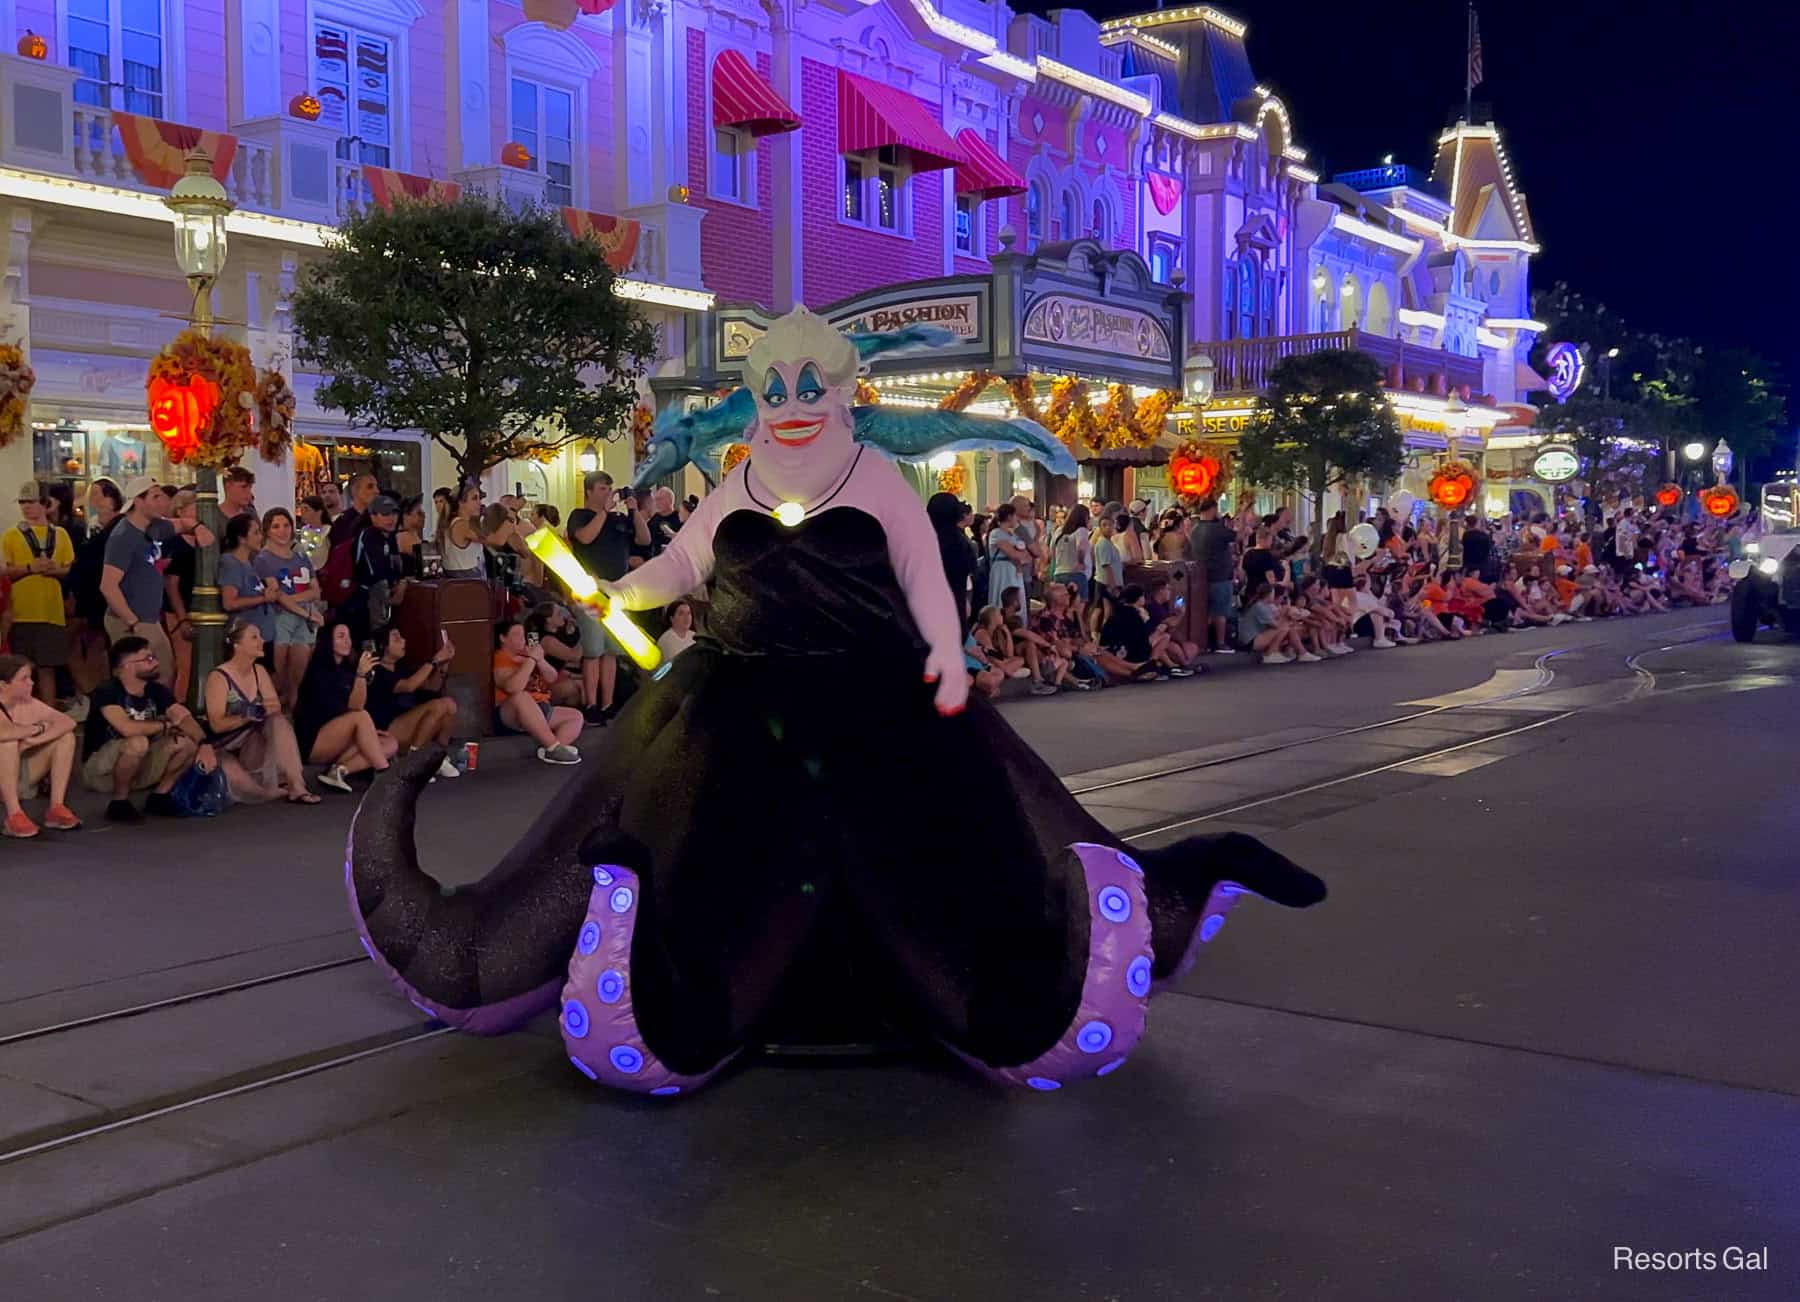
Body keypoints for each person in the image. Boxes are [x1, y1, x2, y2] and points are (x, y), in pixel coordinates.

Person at [81, 634, 212, 821]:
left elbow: (183, 717)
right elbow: (126, 728)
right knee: (137, 741)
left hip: (139, 763)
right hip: (100, 771)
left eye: (154, 657)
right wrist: (165, 725)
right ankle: (119, 802)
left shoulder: (157, 691)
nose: (156, 662)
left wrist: (205, 744)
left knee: (187, 743)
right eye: (148, 659)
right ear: (127, 666)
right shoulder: (107, 691)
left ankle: (160, 796)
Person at [565, 471, 650, 724]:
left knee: (611, 652)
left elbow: (644, 539)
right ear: (589, 491)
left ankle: (608, 703)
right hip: (590, 590)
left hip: (617, 592)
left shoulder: (618, 520)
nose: (607, 493)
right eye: (602, 489)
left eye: (609, 489)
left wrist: (634, 511)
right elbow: (584, 537)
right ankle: (590, 703)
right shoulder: (580, 516)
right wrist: (603, 512)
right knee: (593, 650)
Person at [203, 621, 318, 804]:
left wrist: (260, 710)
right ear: (237, 645)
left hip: (252, 744)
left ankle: (297, 784)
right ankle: (266, 791)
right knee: (248, 789)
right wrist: (245, 716)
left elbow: (274, 706)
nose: (262, 641)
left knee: (278, 721)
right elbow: (217, 724)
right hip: (226, 746)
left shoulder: (259, 671)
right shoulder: (219, 677)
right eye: (254, 637)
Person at [4, 481, 75, 705]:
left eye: (31, 502)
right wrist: (28, 568)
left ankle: (49, 714)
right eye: (23, 502)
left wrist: (56, 570)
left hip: (51, 611)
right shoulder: (11, 535)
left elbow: (71, 567)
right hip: (21, 611)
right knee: (19, 670)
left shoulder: (60, 534)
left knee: (48, 667)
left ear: (45, 504)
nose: (26, 507)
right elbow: (5, 571)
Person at [98, 476, 176, 672]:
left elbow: (180, 524)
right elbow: (108, 586)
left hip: (149, 618)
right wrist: (133, 622)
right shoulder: (123, 536)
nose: (162, 502)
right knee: (140, 677)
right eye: (155, 497)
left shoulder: (153, 527)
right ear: (139, 501)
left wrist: (197, 527)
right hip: (133, 621)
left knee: (163, 672)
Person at [0, 653, 81, 836]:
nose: (32, 683)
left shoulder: (27, 702)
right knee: (8, 743)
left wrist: (32, 741)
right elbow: (5, 732)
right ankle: (14, 815)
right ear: (4, 685)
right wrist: (37, 728)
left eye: (30, 678)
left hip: (18, 778)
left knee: (65, 737)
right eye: (24, 679)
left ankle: (56, 807)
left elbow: (67, 722)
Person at [255, 507, 325, 710]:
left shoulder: (301, 558)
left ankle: (295, 719)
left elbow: (315, 591)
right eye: (276, 526)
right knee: (279, 676)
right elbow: (276, 595)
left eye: (286, 525)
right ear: (267, 530)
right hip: (281, 618)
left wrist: (291, 599)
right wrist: (305, 610)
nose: (282, 531)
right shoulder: (263, 559)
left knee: (298, 677)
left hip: (304, 619)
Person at [367, 624, 460, 775]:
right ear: (382, 646)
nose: (403, 641)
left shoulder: (401, 668)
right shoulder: (376, 672)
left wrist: (443, 665)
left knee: (449, 705)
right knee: (438, 705)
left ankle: (438, 757)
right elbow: (409, 686)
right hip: (389, 732)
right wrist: (434, 661)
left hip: (412, 728)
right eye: (396, 638)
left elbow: (432, 686)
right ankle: (413, 762)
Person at [492, 618, 583, 764]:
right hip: (511, 712)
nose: (522, 639)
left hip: (541, 707)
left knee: (575, 717)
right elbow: (513, 688)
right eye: (517, 635)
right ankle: (553, 747)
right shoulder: (500, 658)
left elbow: (552, 677)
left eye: (524, 634)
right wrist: (531, 660)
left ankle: (553, 748)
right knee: (521, 697)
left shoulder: (528, 656)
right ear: (503, 638)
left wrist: (539, 660)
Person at [217, 514, 278, 654]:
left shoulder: (249, 563)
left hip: (262, 636)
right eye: (256, 533)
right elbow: (229, 602)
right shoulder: (231, 563)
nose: (260, 537)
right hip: (246, 639)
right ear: (242, 538)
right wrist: (263, 598)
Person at [347, 496, 406, 640]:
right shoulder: (368, 536)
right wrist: (396, 585)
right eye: (385, 514)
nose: (391, 518)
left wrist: (400, 581)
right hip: (365, 603)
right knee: (373, 643)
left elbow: (397, 565)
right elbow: (375, 573)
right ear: (373, 516)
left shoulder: (390, 536)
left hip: (383, 601)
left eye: (394, 513)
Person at [1186, 498, 1236, 655]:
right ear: (1212, 509)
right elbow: (1236, 536)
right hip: (1220, 575)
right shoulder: (1216, 529)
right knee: (1220, 611)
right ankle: (1220, 643)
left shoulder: (1195, 530)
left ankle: (1203, 641)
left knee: (1206, 611)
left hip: (1202, 576)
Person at [927, 491, 976, 630]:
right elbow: (969, 566)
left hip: (928, 599)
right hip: (955, 596)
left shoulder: (924, 536)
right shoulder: (957, 539)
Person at [436, 484, 488, 579]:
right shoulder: (461, 525)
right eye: (474, 499)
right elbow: (494, 540)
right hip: (467, 585)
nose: (479, 503)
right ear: (461, 502)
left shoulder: (457, 523)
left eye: (479, 498)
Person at [985, 502, 1031, 609]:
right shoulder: (996, 533)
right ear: (1010, 516)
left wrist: (1021, 555)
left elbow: (1027, 557)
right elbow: (1013, 553)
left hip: (1014, 570)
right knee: (1002, 597)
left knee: (1016, 599)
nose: (1017, 519)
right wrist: (1020, 554)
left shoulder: (1013, 534)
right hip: (1002, 570)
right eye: (1015, 516)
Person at [1049, 503, 1093, 598]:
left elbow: (1052, 551)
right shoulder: (1081, 530)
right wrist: (1081, 562)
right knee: (1077, 607)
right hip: (1076, 574)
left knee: (1063, 605)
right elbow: (1081, 547)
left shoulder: (1059, 531)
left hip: (1059, 573)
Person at [329, 473, 378, 546]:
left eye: (376, 486)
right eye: (370, 487)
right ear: (355, 490)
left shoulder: (379, 518)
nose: (376, 491)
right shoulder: (342, 522)